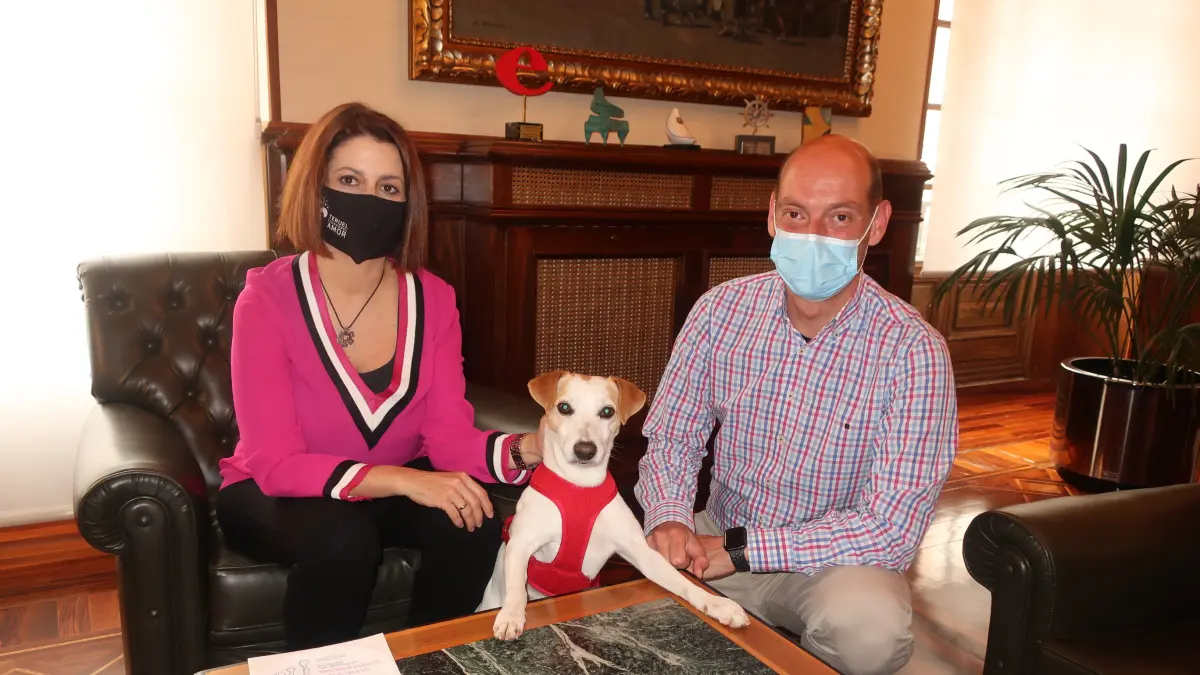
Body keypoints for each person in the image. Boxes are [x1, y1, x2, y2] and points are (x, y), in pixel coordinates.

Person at [215, 102, 544, 651]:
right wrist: (404, 480)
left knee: (472, 518)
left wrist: (528, 448)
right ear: (316, 187)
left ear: (408, 204)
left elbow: (448, 438)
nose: (370, 199)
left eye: (389, 188)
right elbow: (275, 463)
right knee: (343, 540)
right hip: (273, 492)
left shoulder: (435, 299)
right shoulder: (266, 299)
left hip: (385, 487)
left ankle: (431, 660)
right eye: (350, 180)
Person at [635, 135, 958, 675]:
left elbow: (891, 526)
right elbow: (673, 437)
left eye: (839, 217)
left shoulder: (913, 351)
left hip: (832, 563)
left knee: (869, 633)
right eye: (795, 214)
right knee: (627, 611)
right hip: (716, 530)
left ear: (877, 224)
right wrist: (668, 517)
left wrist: (743, 550)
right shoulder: (721, 312)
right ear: (772, 215)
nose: (812, 236)